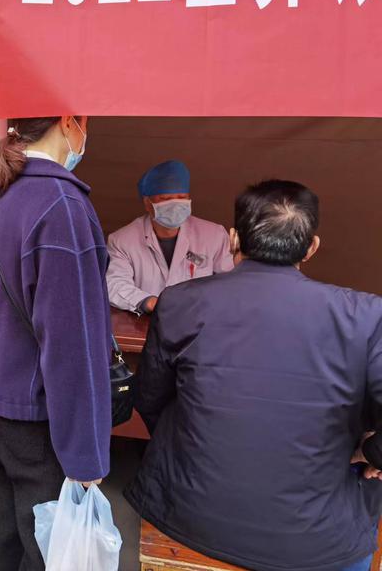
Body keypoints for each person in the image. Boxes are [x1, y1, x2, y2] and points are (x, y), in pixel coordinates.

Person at [125, 180, 382, 571]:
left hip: (189, 512)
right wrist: (369, 452)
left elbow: (149, 398)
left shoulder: (181, 301)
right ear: (311, 247)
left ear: (232, 239)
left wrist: (199, 442)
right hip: (318, 537)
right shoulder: (365, 316)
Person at [0, 117, 112, 571]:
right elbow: (73, 343)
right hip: (39, 410)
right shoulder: (61, 205)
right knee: (48, 545)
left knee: (10, 531)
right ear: (69, 122)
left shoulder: (0, 194)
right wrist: (87, 455)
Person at [106, 160, 233, 314]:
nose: (175, 204)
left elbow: (231, 282)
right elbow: (114, 283)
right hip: (148, 321)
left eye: (182, 197)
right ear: (147, 203)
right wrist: (150, 303)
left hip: (201, 319)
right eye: (166, 199)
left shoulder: (214, 235)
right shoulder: (122, 241)